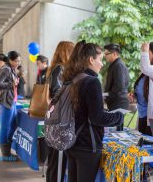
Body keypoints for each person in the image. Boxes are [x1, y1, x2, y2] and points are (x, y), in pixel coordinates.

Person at [62, 42, 124, 182]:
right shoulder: (91, 82)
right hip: (87, 145)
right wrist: (118, 117)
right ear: (91, 60)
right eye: (100, 59)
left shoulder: (72, 78)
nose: (102, 64)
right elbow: (97, 117)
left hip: (71, 141)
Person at [45, 41, 75, 182]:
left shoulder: (56, 68)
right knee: (57, 162)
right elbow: (57, 92)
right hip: (59, 119)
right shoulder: (60, 68)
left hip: (55, 117)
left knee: (55, 161)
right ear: (67, 52)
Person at [0, 51, 20, 161]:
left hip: (12, 101)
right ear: (10, 60)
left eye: (19, 60)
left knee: (13, 125)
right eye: (16, 61)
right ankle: (5, 154)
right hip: (6, 102)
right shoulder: (6, 69)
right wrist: (11, 84)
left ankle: (8, 150)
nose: (18, 62)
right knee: (5, 127)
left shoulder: (12, 69)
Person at [104, 43, 129, 130]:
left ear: (114, 54)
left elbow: (119, 86)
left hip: (119, 103)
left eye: (106, 54)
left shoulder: (118, 65)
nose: (105, 56)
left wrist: (106, 94)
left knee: (116, 131)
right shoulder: (114, 64)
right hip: (115, 102)